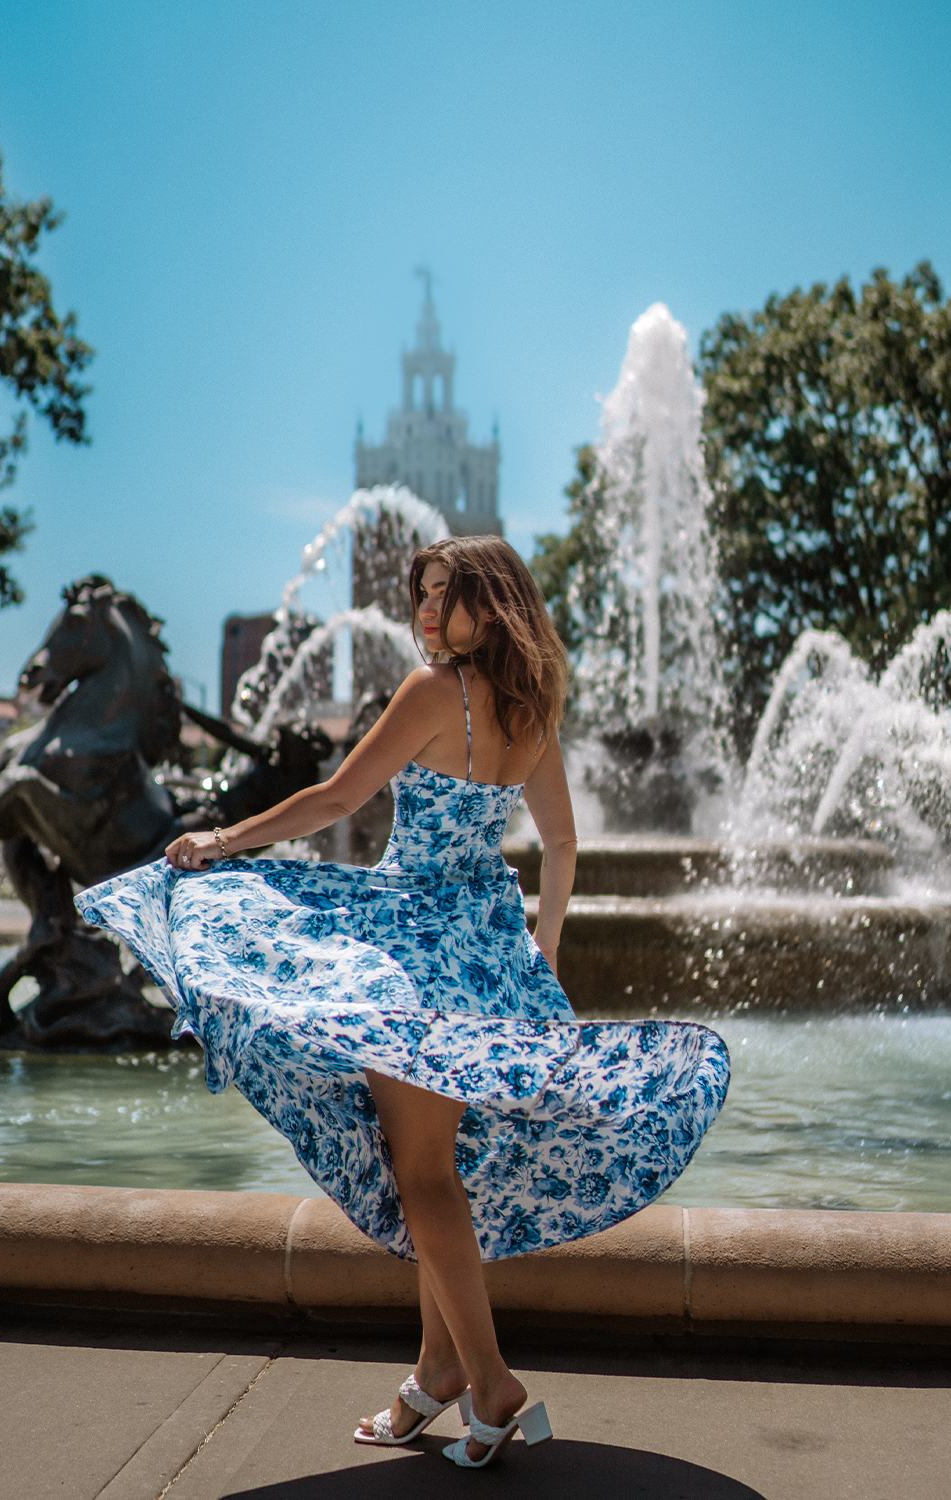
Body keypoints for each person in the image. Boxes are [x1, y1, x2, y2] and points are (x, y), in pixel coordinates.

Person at [76, 536, 729, 1470]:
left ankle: (492, 1382)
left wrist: (221, 840)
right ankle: (436, 1370)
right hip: (488, 954)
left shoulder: (434, 692)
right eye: (419, 593)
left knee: (421, 1174)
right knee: (439, 1172)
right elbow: (561, 843)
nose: (425, 611)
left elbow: (336, 798)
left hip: (415, 950)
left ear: (488, 603)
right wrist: (541, 950)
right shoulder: (531, 708)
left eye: (443, 594)